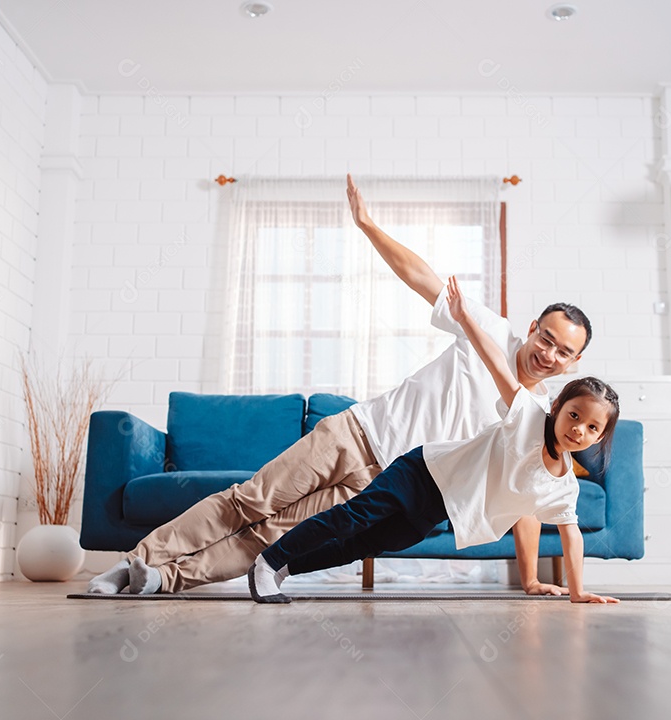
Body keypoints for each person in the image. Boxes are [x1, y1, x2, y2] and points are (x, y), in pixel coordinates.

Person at [87, 175, 594, 596]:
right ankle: (135, 560)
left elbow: (525, 493)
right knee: (250, 500)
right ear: (531, 328)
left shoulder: (545, 414)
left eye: (562, 351)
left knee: (271, 536)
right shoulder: (489, 327)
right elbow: (422, 278)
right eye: (545, 337)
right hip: (355, 432)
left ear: (572, 363)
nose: (547, 353)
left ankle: (159, 579)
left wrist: (528, 579)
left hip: (383, 483)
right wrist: (368, 225)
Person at [248, 276, 621, 604]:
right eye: (574, 416)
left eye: (591, 428)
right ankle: (268, 561)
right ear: (556, 406)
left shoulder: (564, 487)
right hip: (423, 471)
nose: (578, 430)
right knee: (354, 516)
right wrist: (466, 320)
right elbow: (493, 358)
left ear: (600, 437)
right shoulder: (527, 412)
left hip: (444, 504)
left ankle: (286, 568)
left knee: (367, 544)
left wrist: (575, 591)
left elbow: (568, 534)